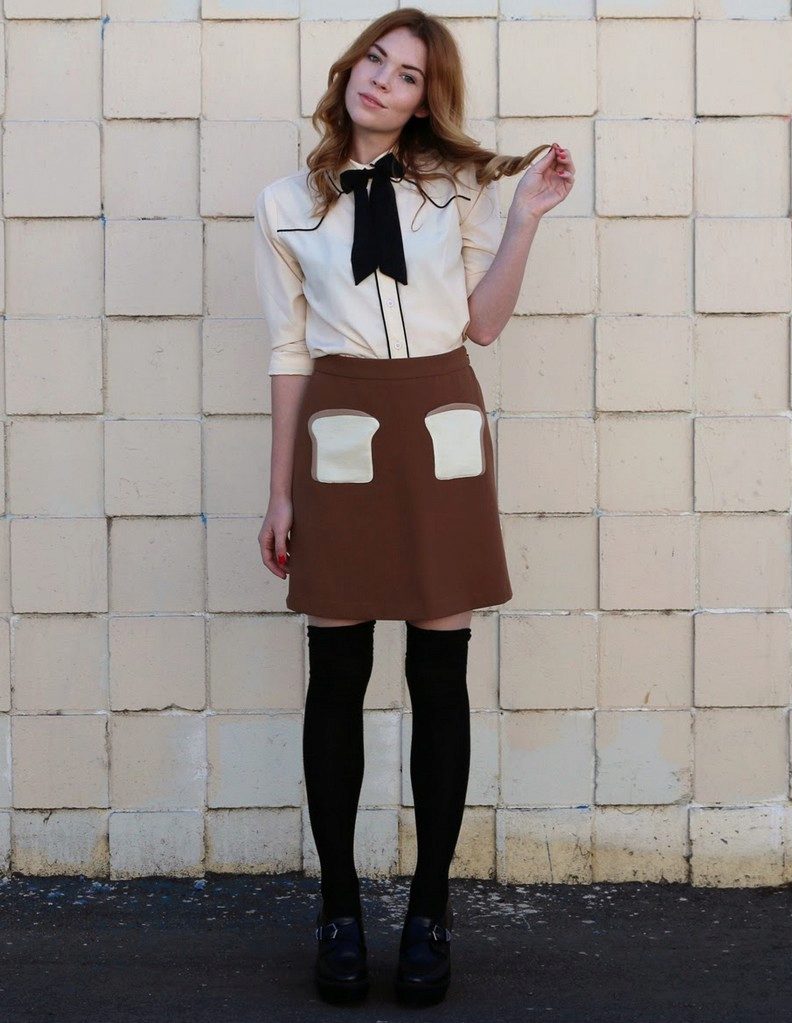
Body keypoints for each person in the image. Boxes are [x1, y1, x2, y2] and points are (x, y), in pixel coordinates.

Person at [253, 5, 574, 1008]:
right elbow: (289, 351)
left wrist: (524, 220)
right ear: (350, 67)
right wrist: (279, 490)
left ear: (425, 101)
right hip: (342, 424)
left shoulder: (460, 189)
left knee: (439, 675)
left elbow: (481, 325)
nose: (381, 81)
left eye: (405, 76)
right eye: (375, 60)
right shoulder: (282, 203)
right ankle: (339, 911)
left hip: (440, 420)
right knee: (336, 674)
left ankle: (430, 910)